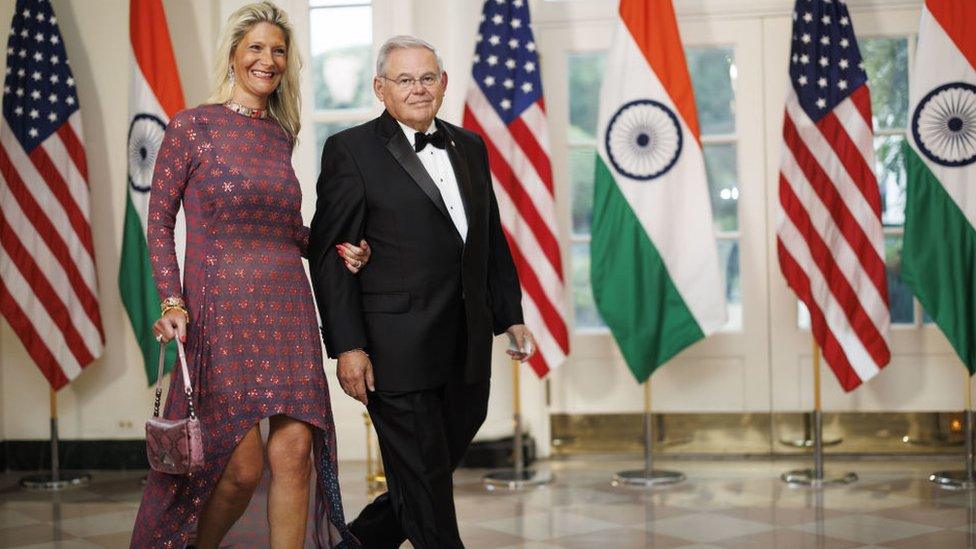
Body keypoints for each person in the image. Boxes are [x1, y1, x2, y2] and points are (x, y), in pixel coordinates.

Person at [130, 3, 367, 547]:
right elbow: (159, 223)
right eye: (256, 48)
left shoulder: (280, 135)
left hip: (288, 308)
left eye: (278, 50)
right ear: (234, 55)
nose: (268, 59)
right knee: (239, 471)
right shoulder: (193, 127)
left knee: (295, 457)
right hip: (222, 313)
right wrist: (172, 302)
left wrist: (335, 249)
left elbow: (286, 230)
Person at [307, 35, 537, 548]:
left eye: (427, 77)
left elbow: (489, 237)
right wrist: (348, 346)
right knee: (426, 481)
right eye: (404, 79)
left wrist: (510, 313)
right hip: (395, 347)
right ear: (380, 88)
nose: (418, 89)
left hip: (467, 342)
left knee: (425, 472)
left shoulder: (470, 146)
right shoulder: (351, 150)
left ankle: (357, 544)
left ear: (443, 83)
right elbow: (330, 256)